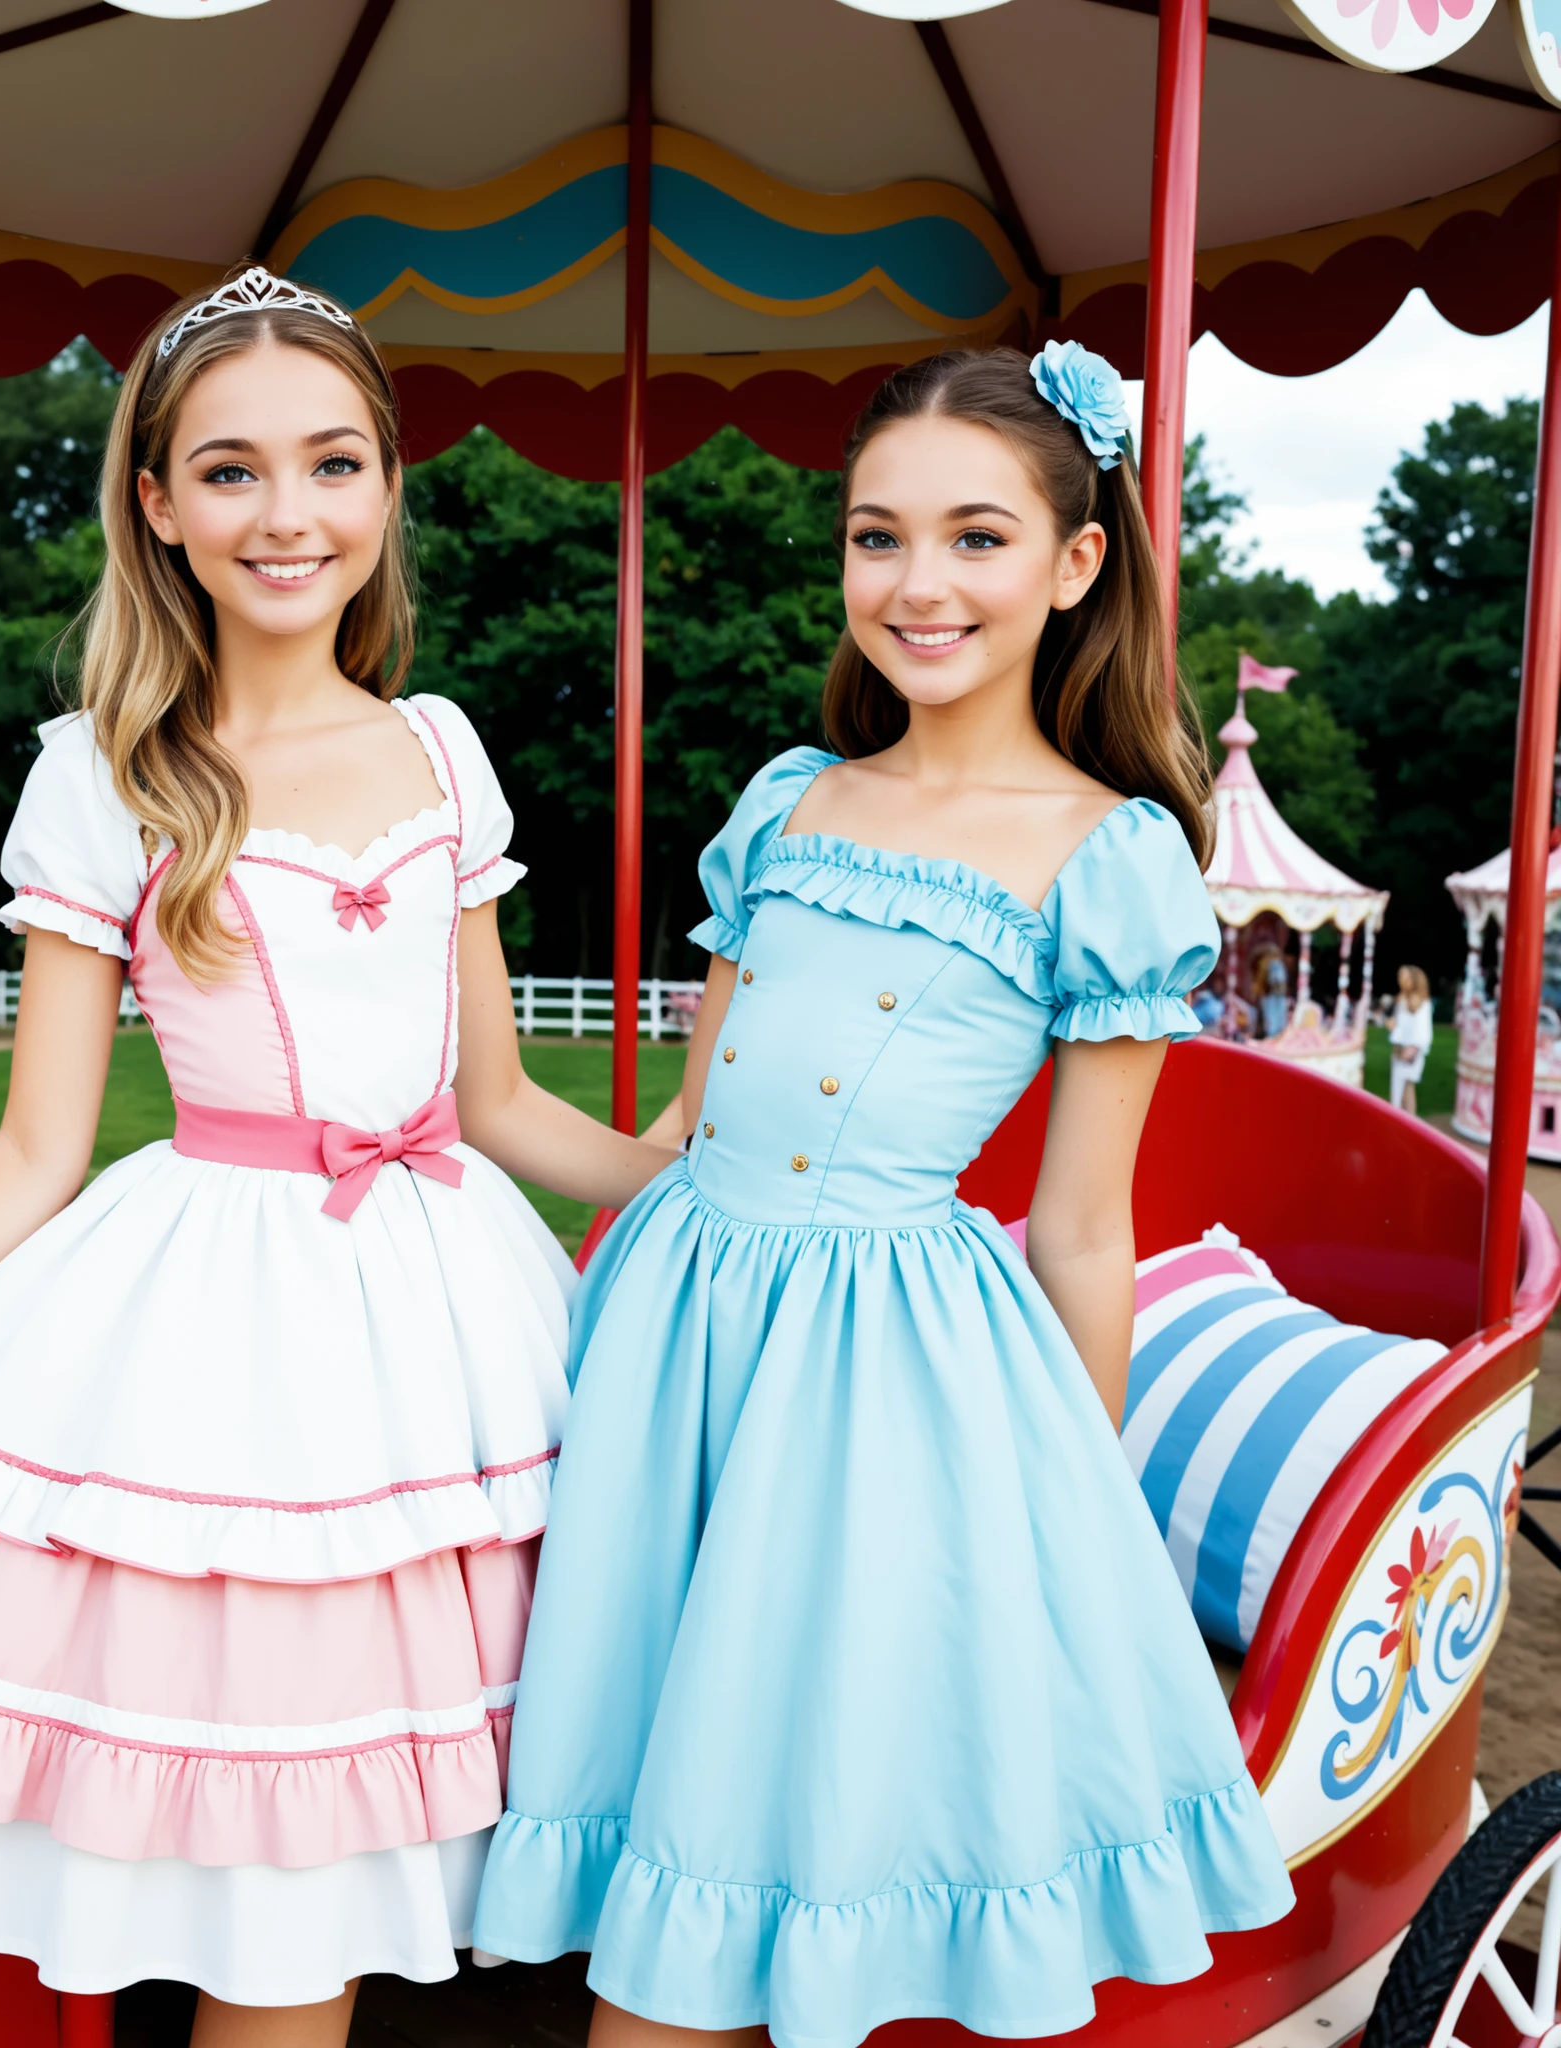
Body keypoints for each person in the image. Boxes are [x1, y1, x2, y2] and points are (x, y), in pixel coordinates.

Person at [0, 265, 674, 2039]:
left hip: (454, 1329)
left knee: (441, 1830)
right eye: (234, 469)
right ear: (161, 505)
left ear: (386, 489)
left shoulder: (441, 749)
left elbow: (495, 1100)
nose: (289, 512)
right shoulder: (104, 777)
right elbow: (33, 1150)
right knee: (267, 1877)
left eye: (333, 463)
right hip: (225, 1334)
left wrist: (701, 1184)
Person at [473, 343, 1294, 2046]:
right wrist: (458, 1087)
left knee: (751, 1843)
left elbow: (1077, 1225)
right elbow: (677, 1143)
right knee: (639, 1778)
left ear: (1075, 565)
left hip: (872, 1383)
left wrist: (1057, 1520)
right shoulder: (786, 802)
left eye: (976, 538)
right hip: (673, 1339)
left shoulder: (1107, 852)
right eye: (876, 535)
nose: (917, 584)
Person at [1389, 963, 1434, 1112]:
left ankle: (1409, 1122)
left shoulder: (1423, 1003)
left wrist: (1413, 1048)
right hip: (1400, 1049)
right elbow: (1401, 1027)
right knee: (1398, 1088)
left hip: (1411, 1051)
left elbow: (1423, 1031)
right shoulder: (1401, 1001)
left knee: (1408, 1087)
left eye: (1405, 977)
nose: (1401, 980)